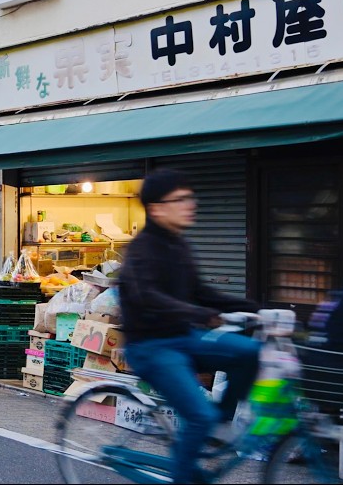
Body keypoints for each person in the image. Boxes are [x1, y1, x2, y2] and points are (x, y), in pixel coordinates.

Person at [117, 169, 261, 485]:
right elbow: (148, 298)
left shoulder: (179, 245)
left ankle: (220, 418)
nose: (190, 205)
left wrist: (256, 308)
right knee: (198, 417)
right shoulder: (142, 250)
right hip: (151, 347)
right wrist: (199, 313)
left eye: (190, 197)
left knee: (251, 351)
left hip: (184, 337)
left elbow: (203, 292)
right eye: (180, 199)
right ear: (156, 208)